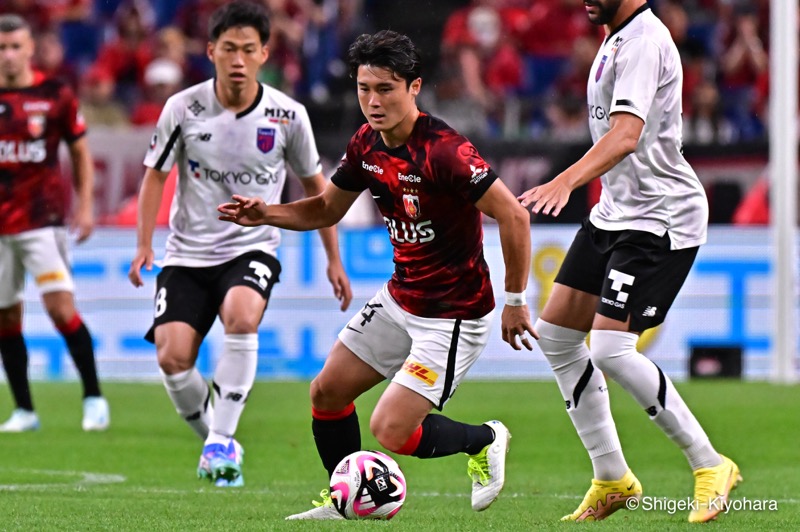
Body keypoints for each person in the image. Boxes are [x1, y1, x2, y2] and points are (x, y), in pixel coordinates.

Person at [218, 29, 536, 519]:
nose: (373, 100)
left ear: (414, 87)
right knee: (326, 391)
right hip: (400, 298)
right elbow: (326, 208)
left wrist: (515, 300)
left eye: (386, 89)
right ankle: (343, 495)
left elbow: (514, 216)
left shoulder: (445, 151)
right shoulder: (366, 143)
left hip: (452, 316)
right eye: (365, 88)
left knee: (392, 430)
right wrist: (267, 214)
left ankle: (484, 439)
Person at [518, 0, 741, 523]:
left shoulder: (641, 40)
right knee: (557, 337)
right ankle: (612, 476)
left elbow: (626, 135)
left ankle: (710, 463)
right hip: (616, 214)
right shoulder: (617, 34)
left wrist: (564, 181)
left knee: (612, 350)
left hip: (659, 219)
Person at [127, 0, 352, 488]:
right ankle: (217, 438)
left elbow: (319, 192)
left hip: (252, 245)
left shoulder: (287, 115)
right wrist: (145, 244)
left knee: (242, 316)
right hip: (187, 252)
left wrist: (334, 259)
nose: (237, 59)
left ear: (264, 53)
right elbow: (153, 178)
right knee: (172, 357)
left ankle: (221, 441)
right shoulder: (182, 108)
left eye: (248, 49)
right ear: (210, 50)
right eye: (228, 48)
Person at [0, 14, 109, 432]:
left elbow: (79, 153)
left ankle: (94, 398)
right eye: (2, 47)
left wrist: (85, 207)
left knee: (60, 309)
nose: (9, 55)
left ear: (30, 48)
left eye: (15, 46)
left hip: (41, 221)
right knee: (6, 319)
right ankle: (25, 410)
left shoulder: (54, 93)